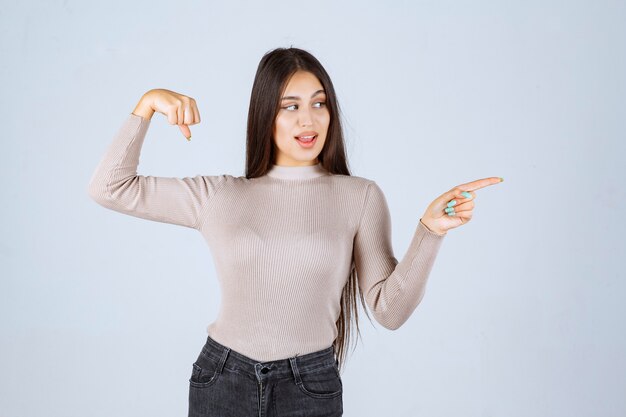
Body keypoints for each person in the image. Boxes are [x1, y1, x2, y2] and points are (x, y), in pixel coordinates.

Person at [87, 46, 503, 417]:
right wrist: (146, 105)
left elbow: (389, 311)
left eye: (319, 104)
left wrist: (430, 231)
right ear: (265, 113)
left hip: (309, 386)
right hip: (222, 381)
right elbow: (109, 188)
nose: (309, 119)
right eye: (290, 106)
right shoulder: (218, 195)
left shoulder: (358, 197)